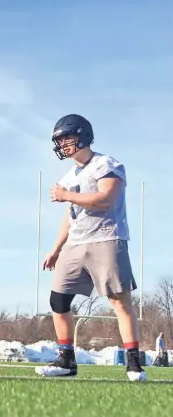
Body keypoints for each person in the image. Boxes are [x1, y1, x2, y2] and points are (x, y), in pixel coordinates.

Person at [35, 114, 147, 382]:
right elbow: (70, 215)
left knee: (118, 301)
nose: (62, 145)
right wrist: (56, 248)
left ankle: (133, 364)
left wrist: (66, 195)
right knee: (58, 300)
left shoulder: (106, 163)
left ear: (83, 135)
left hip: (106, 238)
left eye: (66, 138)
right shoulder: (69, 174)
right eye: (59, 141)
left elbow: (106, 198)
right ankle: (66, 361)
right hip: (75, 243)